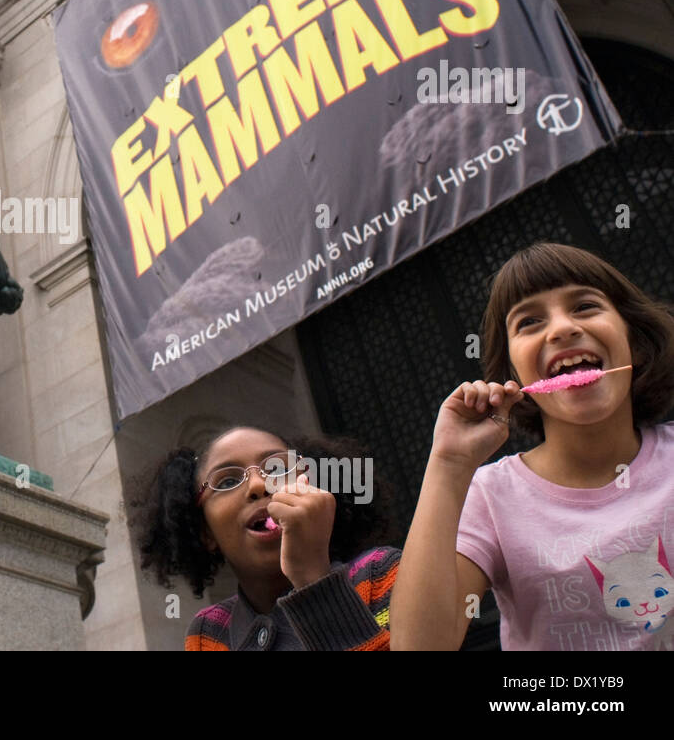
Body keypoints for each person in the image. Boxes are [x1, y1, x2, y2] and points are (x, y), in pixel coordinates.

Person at [392, 242, 674, 651]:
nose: (561, 329)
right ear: (512, 374)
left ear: (634, 340)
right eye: (528, 322)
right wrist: (449, 464)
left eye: (585, 307)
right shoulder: (489, 497)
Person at [133, 426, 399, 650]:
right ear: (206, 532)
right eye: (226, 482)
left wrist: (314, 579)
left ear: (317, 490)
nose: (259, 485)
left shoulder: (381, 573)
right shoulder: (210, 634)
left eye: (277, 468)